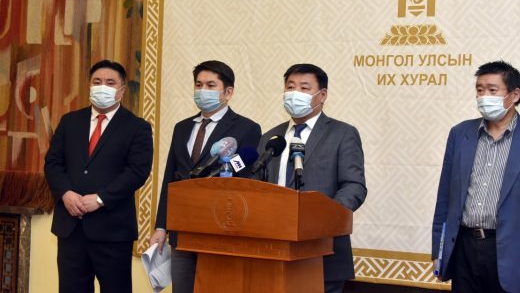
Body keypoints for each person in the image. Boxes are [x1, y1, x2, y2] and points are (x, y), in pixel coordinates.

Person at [432, 60, 520, 293]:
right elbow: (445, 200)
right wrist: (439, 252)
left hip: (514, 257)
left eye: (492, 90)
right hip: (464, 250)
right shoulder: (460, 134)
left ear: (514, 95)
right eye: (480, 90)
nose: (484, 96)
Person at [149, 60, 261, 293]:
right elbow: (170, 177)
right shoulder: (182, 127)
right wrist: (161, 227)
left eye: (211, 85)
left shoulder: (247, 128)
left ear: (228, 92)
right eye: (198, 85)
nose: (203, 91)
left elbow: (245, 178)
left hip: (219, 230)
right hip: (182, 230)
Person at [44, 59, 153, 293]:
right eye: (97, 81)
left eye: (110, 82)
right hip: (71, 228)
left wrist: (101, 198)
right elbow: (53, 162)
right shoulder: (70, 121)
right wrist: (66, 194)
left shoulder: (137, 127)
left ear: (121, 90)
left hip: (113, 230)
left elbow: (137, 171)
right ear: (89, 86)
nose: (102, 86)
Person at [257, 63, 367, 293]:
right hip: (272, 252)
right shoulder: (271, 138)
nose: (295, 93)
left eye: (304, 88)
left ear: (322, 95)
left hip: (323, 252)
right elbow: (257, 187)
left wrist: (323, 218)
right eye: (290, 87)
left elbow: (354, 186)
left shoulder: (342, 133)